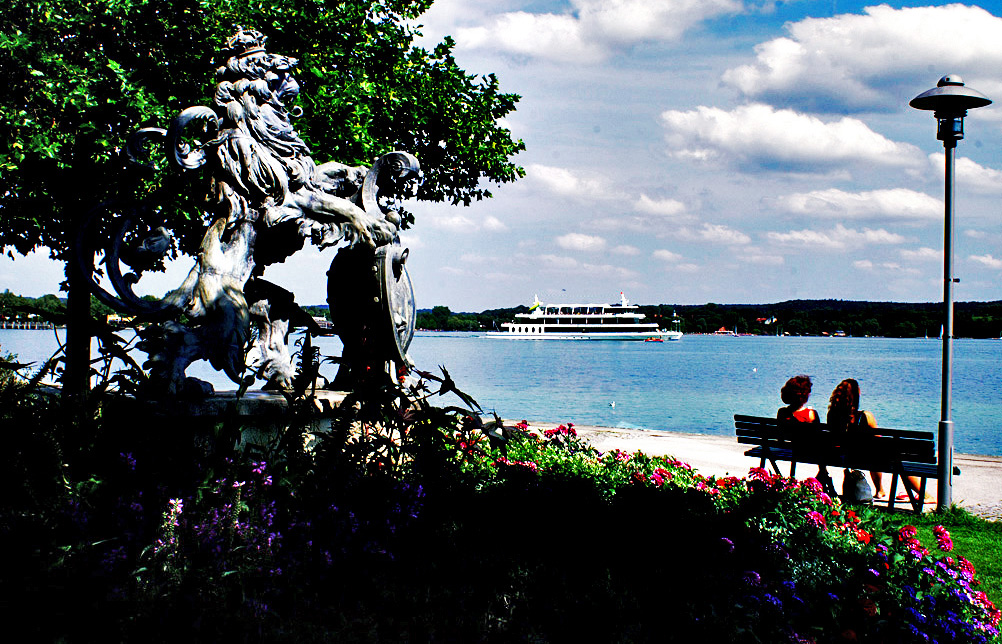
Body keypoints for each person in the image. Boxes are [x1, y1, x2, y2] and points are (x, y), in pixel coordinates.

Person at [826, 378, 923, 501]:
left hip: (844, 457)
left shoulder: (832, 415)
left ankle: (880, 490)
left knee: (875, 455)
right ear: (856, 396)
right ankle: (923, 494)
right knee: (887, 458)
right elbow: (879, 442)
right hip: (865, 458)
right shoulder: (866, 416)